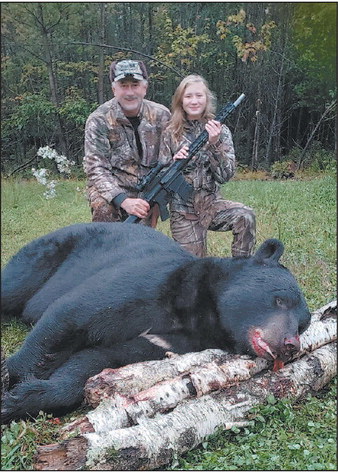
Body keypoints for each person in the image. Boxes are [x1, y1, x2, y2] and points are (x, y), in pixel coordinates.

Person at [158, 74, 256, 257]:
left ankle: (242, 269)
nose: (194, 101)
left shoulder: (220, 131)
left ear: (206, 99)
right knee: (194, 270)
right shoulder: (170, 132)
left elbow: (225, 175)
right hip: (183, 212)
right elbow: (161, 174)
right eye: (188, 96)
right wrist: (174, 164)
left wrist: (214, 144)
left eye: (199, 96)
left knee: (246, 216)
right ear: (180, 100)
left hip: (212, 205)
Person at [83, 59, 171, 225]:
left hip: (149, 187)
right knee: (103, 208)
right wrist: (122, 200)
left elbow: (169, 159)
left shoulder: (162, 115)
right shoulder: (99, 120)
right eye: (123, 85)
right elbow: (96, 169)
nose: (130, 92)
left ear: (145, 88)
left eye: (135, 85)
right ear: (114, 89)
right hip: (112, 187)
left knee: (141, 240)